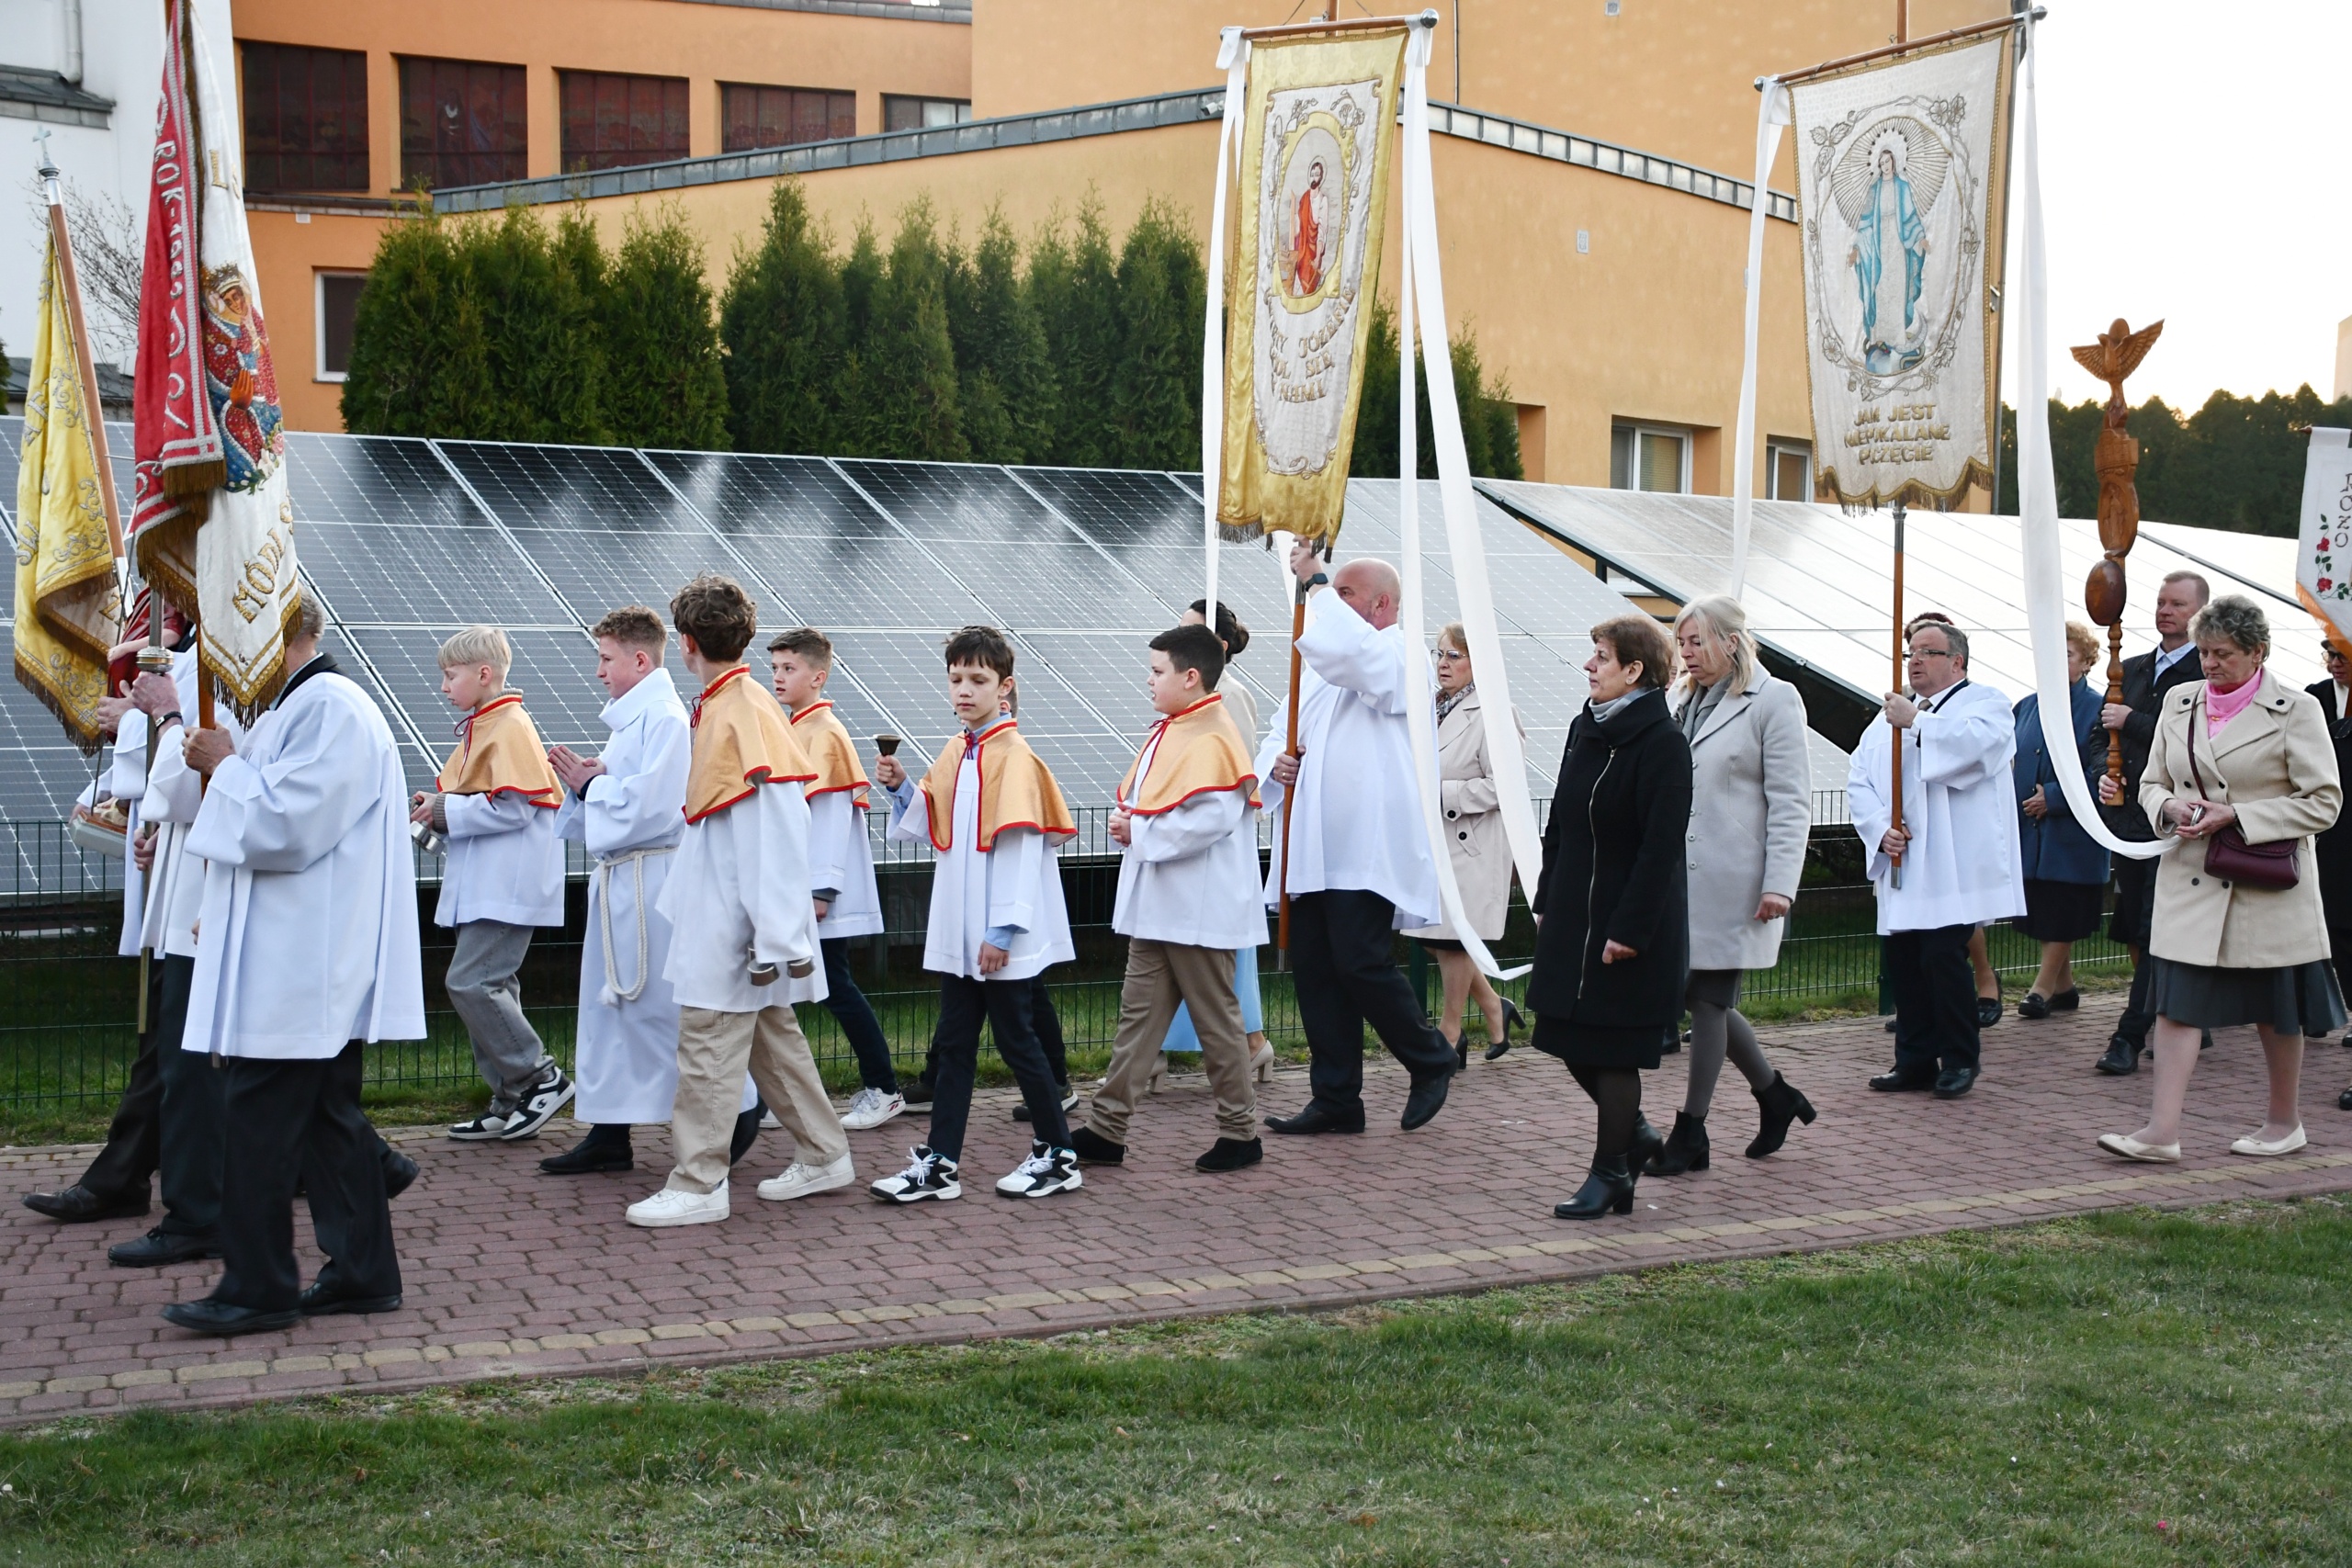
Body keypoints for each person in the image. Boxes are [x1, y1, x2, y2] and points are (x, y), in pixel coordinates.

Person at [160, 596, 425, 1336]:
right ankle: (363, 1272)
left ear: (275, 638)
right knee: (325, 1123)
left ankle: (259, 1285)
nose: (225, 666)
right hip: (295, 949)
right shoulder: (294, 709)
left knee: (258, 1123)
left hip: (304, 960)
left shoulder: (331, 707)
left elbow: (288, 825)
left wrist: (226, 765)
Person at [625, 576, 854, 1228]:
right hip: (738, 917)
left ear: (686, 643)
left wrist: (772, 933)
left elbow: (776, 828)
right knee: (771, 1041)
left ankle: (699, 1182)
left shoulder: (739, 708)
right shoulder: (736, 702)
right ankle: (825, 1152)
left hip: (735, 925)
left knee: (707, 1044)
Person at [2097, 594, 2344, 1161]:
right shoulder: (2179, 700)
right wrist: (2168, 808)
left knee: (2277, 1012)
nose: (2209, 663)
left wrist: (2238, 815)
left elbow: (2324, 802)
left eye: (2223, 654)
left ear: (2258, 652)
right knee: (2175, 1005)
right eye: (2204, 652)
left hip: (2267, 884)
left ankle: (2284, 1123)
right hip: (2191, 878)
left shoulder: (2298, 709)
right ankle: (2161, 1133)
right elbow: (2152, 783)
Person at [869, 626, 1084, 1202]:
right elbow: (933, 822)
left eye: (977, 680)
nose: (964, 690)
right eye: (956, 679)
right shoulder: (958, 750)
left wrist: (1002, 931)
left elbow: (1020, 850)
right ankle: (940, 1164)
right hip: (964, 932)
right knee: (955, 1045)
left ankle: (1058, 1154)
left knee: (1018, 1043)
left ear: (1004, 686)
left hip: (995, 937)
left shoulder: (1014, 757)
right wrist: (902, 788)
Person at [1255, 547, 1458, 1136]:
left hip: (1365, 845)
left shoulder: (1401, 655)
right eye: (1333, 592)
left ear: (1382, 604)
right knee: (1317, 970)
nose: (1331, 603)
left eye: (1346, 594)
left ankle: (1430, 1057)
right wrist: (1277, 764)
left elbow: (1355, 658)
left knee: (1359, 960)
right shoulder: (1320, 669)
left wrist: (1316, 582)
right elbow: (1281, 729)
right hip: (1313, 843)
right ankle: (1336, 1096)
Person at [1072, 624, 1265, 1173]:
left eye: (1157, 671)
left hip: (1198, 910)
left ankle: (1240, 1132)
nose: (1149, 680)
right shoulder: (1178, 728)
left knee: (1216, 1022)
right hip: (1161, 906)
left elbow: (1211, 818)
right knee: (1138, 1020)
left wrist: (1139, 831)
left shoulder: (1213, 735)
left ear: (1190, 676)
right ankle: (1107, 1128)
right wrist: (1135, 824)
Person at [22, 610, 192, 1225]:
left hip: (201, 876)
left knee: (176, 1035)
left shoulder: (223, 661)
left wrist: (138, 720)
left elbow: (199, 745)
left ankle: (123, 1177)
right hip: (176, 856)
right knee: (174, 1035)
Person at [1528, 615, 1690, 1218]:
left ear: (1634, 670)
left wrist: (1630, 929)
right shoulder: (1586, 727)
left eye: (1601, 656)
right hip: (1574, 912)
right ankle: (1637, 1133)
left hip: (1629, 920)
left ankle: (1612, 1172)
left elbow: (1660, 848)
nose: (1589, 665)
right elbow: (1561, 820)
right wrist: (1547, 896)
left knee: (1615, 1047)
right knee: (1564, 1033)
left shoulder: (1663, 743)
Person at [1651, 595, 1814, 1177]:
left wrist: (1781, 885)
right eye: (1682, 643)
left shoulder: (1774, 699)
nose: (1687, 653)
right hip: (1680, 880)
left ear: (1732, 641)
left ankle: (1691, 1130)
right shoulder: (1678, 700)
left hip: (1739, 882)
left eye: (1697, 641)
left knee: (1708, 1000)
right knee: (1699, 997)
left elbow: (1791, 801)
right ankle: (1775, 1095)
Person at [95, 647, 246, 1265]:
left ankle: (197, 1213)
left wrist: (163, 717)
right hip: (193, 877)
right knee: (193, 1061)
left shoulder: (232, 676)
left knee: (199, 1064)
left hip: (207, 896)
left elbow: (185, 787)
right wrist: (167, 834)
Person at [541, 607, 693, 1177]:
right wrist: (592, 780)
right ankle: (608, 1132)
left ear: (640, 660)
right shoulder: (633, 720)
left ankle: (738, 1110)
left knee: (655, 1007)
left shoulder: (667, 719)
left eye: (606, 659)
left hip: (651, 880)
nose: (599, 670)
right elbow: (623, 790)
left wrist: (592, 786)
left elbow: (655, 807)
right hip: (621, 881)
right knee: (608, 1011)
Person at [1849, 618, 2022, 1099]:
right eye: (1911, 653)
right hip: (1904, 859)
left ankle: (1960, 1058)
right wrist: (1880, 828)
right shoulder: (1888, 716)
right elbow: (1859, 775)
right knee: (1904, 961)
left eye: (1928, 652)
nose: (1915, 661)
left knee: (1942, 958)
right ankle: (1914, 1059)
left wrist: (1918, 723)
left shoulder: (1985, 703)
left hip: (1952, 863)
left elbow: (1978, 752)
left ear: (1957, 661)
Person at [413, 627, 573, 1144]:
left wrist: (443, 809)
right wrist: (439, 807)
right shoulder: (486, 725)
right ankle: (509, 1099)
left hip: (507, 887)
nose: (444, 687)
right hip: (487, 886)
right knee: (492, 987)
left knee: (471, 983)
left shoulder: (508, 725)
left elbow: (516, 808)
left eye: (450, 675)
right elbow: (481, 799)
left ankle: (540, 1078)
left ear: (484, 674)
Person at [770, 627, 904, 1132]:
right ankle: (779, 1097)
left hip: (815, 894)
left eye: (790, 668)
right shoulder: (796, 728)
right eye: (775, 668)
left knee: (834, 988)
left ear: (818, 676)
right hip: (793, 887)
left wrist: (821, 889)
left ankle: (883, 1088)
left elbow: (828, 816)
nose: (779, 677)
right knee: (785, 992)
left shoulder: (823, 733)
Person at [1152, 598, 1273, 1084]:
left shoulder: (1231, 696)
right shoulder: (1178, 695)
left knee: (1216, 953)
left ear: (1218, 647)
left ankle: (1248, 1044)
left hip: (1217, 842)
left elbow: (1234, 771)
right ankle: (1157, 1050)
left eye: (1191, 631)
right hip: (1183, 834)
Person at [2096, 570, 2212, 1074]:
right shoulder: (2130, 669)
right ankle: (2190, 1013)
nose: (2165, 610)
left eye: (2178, 604)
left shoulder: (2206, 673)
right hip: (2128, 819)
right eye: (2162, 601)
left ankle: (2129, 1034)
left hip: (2173, 820)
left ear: (2200, 613)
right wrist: (2104, 774)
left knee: (2153, 927)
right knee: (2138, 926)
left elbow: (2194, 739)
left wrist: (2133, 722)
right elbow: (2100, 734)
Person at [1407, 622, 1526, 1066]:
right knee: (1434, 938)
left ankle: (1450, 1032)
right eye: (1439, 653)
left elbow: (1505, 785)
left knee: (1454, 938)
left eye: (1454, 655)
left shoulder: (1495, 712)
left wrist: (1443, 794)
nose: (1443, 663)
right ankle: (1495, 1006)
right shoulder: (1429, 707)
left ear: (1479, 663)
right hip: (1433, 841)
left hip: (1470, 841)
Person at [2011, 621, 2111, 1019]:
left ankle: (2041, 989)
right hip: (2030, 832)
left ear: (2086, 662)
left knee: (2063, 910)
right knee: (2044, 910)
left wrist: (2053, 798)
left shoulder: (2099, 709)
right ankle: (2064, 987)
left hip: (2073, 834)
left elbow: (2105, 770)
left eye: (2067, 655)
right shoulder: (2025, 706)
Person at [2303, 638, 2352, 1061]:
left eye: (2343, 658)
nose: (2334, 664)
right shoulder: (2314, 698)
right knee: (2330, 927)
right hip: (2329, 831)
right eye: (2330, 656)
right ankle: (2324, 1007)